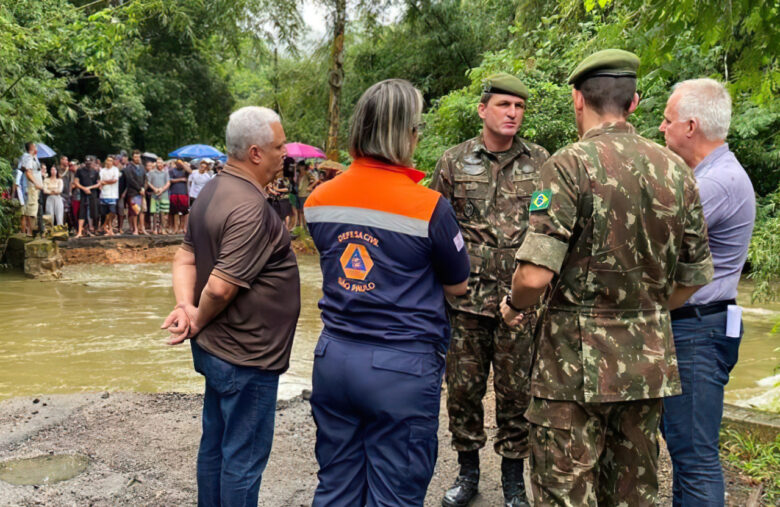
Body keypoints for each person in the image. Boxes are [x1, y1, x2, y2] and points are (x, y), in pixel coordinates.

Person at [499, 49, 714, 505]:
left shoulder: (567, 166)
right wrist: (649, 311)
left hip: (571, 370)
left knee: (565, 494)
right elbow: (695, 276)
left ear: (578, 99)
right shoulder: (678, 170)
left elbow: (534, 276)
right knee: (632, 495)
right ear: (634, 102)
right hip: (645, 367)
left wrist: (514, 306)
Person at [304, 79, 471, 506]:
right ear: (406, 133)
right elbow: (458, 284)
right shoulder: (429, 206)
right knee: (394, 494)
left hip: (334, 359)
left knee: (337, 488)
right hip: (400, 369)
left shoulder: (319, 200)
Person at [161, 105, 299, 506]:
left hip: (218, 352)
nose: (285, 151)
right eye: (279, 145)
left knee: (216, 445)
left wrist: (185, 307)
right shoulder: (250, 208)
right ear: (255, 153)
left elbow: (185, 256)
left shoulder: (213, 190)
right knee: (242, 458)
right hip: (246, 357)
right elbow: (220, 289)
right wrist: (197, 318)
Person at [431, 72, 550, 507]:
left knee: (517, 392)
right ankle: (468, 474)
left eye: (519, 107)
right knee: (463, 390)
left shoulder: (541, 162)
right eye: (504, 105)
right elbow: (437, 231)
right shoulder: (453, 162)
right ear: (483, 109)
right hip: (466, 302)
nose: (513, 114)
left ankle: (514, 481)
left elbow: (550, 231)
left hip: (520, 303)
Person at [658, 78, 756, 506]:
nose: (662, 128)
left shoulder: (716, 184)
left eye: (666, 119)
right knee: (685, 453)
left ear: (691, 126)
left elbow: (654, 243)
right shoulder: (708, 175)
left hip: (698, 331)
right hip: (699, 326)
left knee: (695, 458)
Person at [21, 142, 43, 236]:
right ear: (32, 147)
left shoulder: (33, 157)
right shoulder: (28, 158)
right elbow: (28, 173)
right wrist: (37, 183)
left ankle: (30, 232)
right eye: (35, 146)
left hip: (33, 188)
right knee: (31, 210)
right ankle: (30, 232)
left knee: (32, 209)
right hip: (31, 188)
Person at [75, 157, 101, 238]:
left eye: (90, 162)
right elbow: (76, 182)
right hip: (83, 194)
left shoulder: (95, 172)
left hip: (92, 194)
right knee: (82, 212)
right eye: (87, 162)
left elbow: (99, 183)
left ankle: (92, 229)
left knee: (94, 213)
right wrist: (84, 188)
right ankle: (79, 232)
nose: (88, 164)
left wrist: (90, 188)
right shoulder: (79, 170)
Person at [122, 152, 146, 235]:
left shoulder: (142, 167)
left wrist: (143, 188)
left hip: (141, 192)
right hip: (133, 192)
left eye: (138, 157)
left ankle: (141, 228)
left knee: (141, 211)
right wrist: (139, 189)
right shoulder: (129, 168)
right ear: (132, 157)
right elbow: (130, 180)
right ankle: (135, 229)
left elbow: (144, 178)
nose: (137, 158)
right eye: (135, 157)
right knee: (134, 211)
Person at [147, 159, 171, 234]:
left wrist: (162, 189)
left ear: (163, 164)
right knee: (155, 212)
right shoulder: (151, 172)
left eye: (161, 163)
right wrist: (154, 189)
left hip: (164, 194)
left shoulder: (166, 173)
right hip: (155, 194)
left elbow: (168, 183)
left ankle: (163, 228)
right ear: (156, 164)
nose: (159, 164)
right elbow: (148, 182)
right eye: (158, 163)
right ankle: (155, 229)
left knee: (163, 212)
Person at [99, 156, 121, 235]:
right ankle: (107, 228)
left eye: (111, 161)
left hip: (113, 194)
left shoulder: (115, 170)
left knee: (112, 212)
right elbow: (100, 181)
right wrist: (106, 182)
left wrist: (105, 182)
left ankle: (106, 226)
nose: (109, 162)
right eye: (108, 160)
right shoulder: (102, 171)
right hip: (103, 194)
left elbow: (114, 180)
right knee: (105, 213)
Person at [168, 159, 191, 234]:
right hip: (174, 193)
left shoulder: (185, 171)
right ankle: (175, 228)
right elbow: (170, 180)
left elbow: (191, 172)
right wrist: (181, 179)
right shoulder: (172, 170)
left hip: (183, 193)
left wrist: (184, 164)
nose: (179, 164)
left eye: (180, 163)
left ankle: (182, 227)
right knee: (174, 211)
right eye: (178, 163)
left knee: (184, 211)